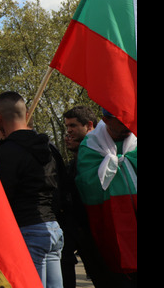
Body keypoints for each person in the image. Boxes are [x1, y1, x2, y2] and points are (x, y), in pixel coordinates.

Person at [0, 91, 64, 288]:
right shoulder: (49, 148)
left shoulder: (6, 152)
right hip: (53, 228)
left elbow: (1, 197)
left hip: (27, 230)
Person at [75, 111, 137, 287]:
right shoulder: (91, 145)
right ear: (106, 119)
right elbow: (86, 184)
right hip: (111, 224)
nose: (128, 125)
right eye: (122, 121)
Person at [60, 106, 111, 288]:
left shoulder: (106, 160)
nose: (69, 132)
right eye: (67, 127)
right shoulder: (71, 164)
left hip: (102, 236)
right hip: (81, 235)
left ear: (90, 126)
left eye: (73, 126)